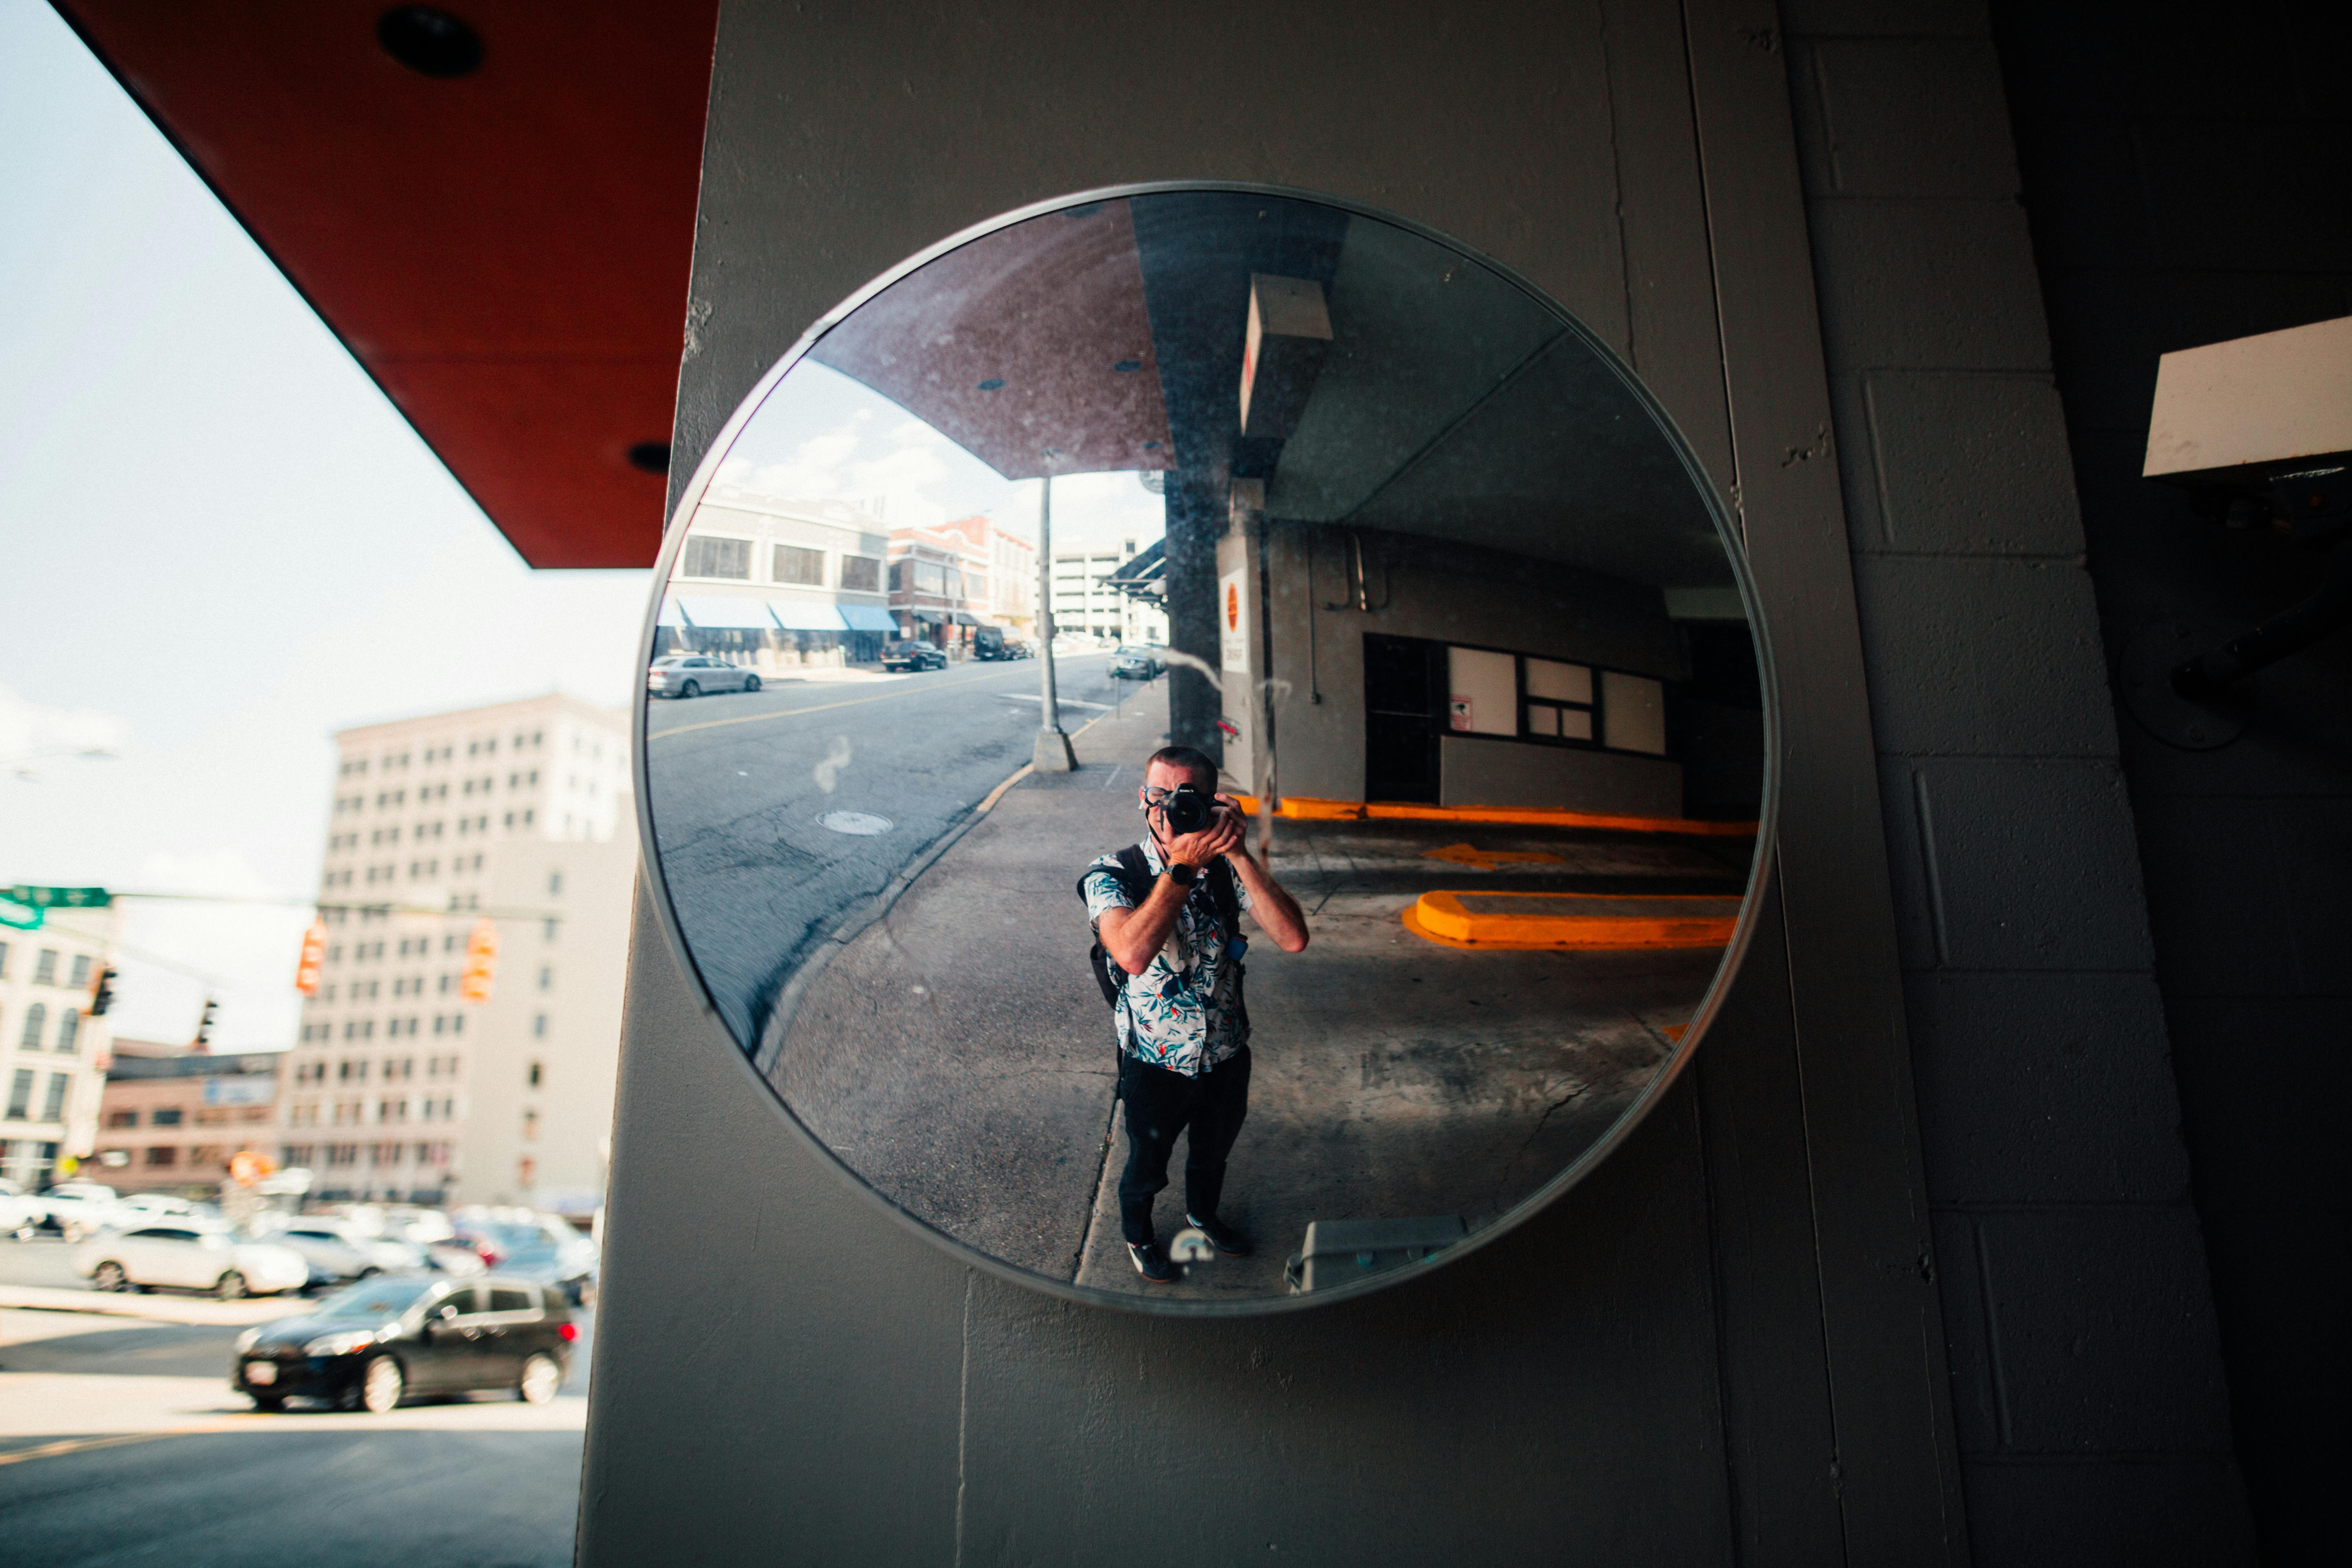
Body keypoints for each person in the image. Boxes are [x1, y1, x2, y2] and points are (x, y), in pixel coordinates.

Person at [1081, 744, 1309, 1283]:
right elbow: (1132, 954)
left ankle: (1202, 1216)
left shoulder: (1228, 869)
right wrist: (1181, 868)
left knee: (1213, 1155)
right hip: (1154, 1060)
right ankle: (1140, 1235)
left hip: (1227, 1052)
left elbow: (1294, 937)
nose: (1170, 809)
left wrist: (1240, 854)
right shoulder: (1115, 871)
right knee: (1146, 1166)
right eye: (1160, 795)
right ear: (1143, 800)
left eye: (1188, 798)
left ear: (1213, 803)